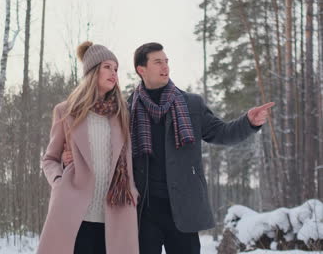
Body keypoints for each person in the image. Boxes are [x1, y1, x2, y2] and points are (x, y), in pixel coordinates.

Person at [63, 42, 274, 254]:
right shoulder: (126, 110)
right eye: (157, 62)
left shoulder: (191, 104)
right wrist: (75, 155)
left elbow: (222, 133)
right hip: (144, 213)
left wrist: (249, 122)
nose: (165, 67)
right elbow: (107, 149)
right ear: (141, 70)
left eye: (166, 61)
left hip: (182, 211)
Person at [37, 41, 140, 254]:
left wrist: (134, 192)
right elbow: (49, 159)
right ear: (93, 71)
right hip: (75, 212)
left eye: (116, 69)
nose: (113, 72)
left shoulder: (123, 115)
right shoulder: (66, 112)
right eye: (107, 67)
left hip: (115, 212)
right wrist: (58, 182)